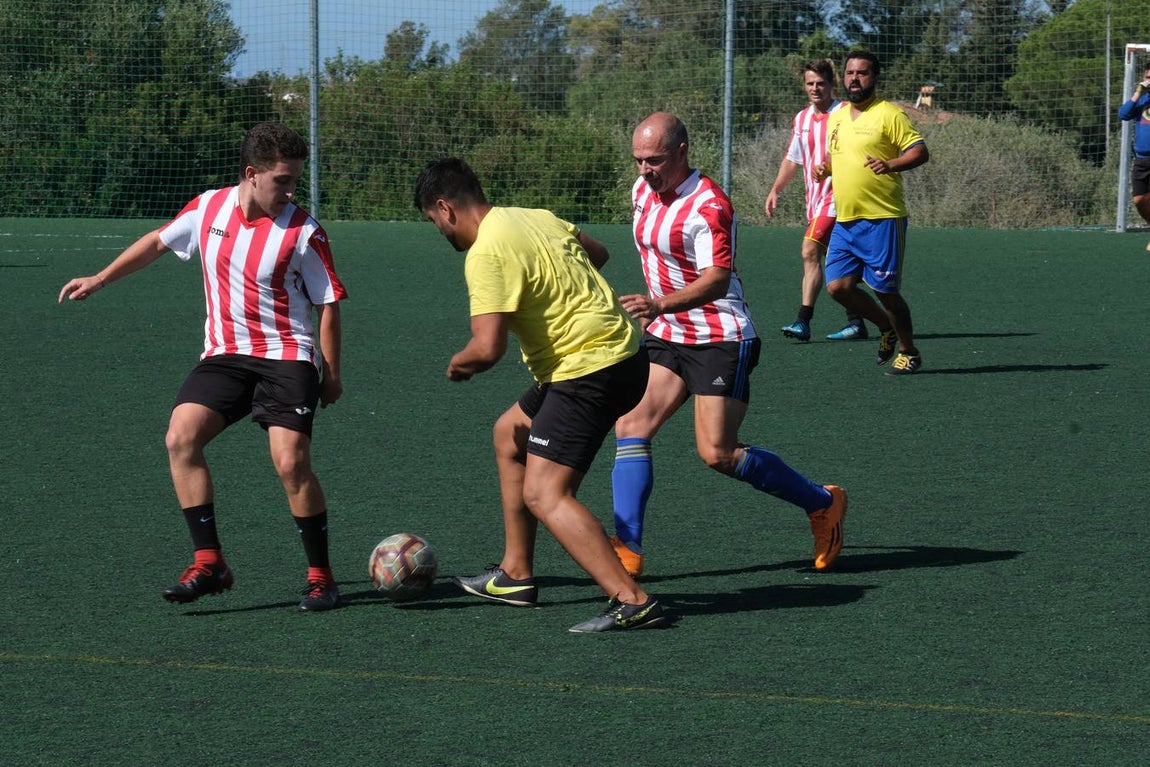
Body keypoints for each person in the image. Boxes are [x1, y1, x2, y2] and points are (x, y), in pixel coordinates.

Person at [58, 122, 348, 611]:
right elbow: (156, 242)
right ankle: (209, 562)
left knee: (290, 462)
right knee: (180, 437)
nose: (291, 190)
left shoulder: (304, 232)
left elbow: (328, 304)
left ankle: (322, 577)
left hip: (286, 356)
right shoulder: (207, 207)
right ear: (251, 174)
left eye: (296, 179)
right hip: (225, 356)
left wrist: (332, 375)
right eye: (282, 180)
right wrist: (101, 278)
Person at [413, 157, 667, 633]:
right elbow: (599, 253)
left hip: (588, 370)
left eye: (434, 222)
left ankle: (632, 600)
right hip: (626, 355)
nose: (440, 232)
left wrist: (458, 364)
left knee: (545, 492)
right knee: (509, 434)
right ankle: (516, 574)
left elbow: (488, 349)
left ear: (445, 208)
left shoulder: (485, 252)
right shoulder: (535, 216)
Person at [608, 111, 847, 579]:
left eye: (653, 160)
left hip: (720, 336)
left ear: (681, 152)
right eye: (638, 160)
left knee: (715, 452)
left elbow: (717, 280)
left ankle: (823, 502)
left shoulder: (709, 204)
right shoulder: (642, 191)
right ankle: (627, 550)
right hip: (668, 333)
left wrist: (659, 304)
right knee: (630, 426)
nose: (643, 170)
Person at [813, 50, 930, 376]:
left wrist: (890, 164)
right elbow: (840, 156)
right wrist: (826, 168)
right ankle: (884, 327)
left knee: (886, 292)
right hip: (846, 219)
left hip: (882, 218)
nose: (854, 79)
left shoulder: (889, 115)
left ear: (874, 77)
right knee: (837, 288)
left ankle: (909, 352)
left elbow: (920, 151)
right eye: (849, 73)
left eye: (862, 73)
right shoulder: (836, 116)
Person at [766, 59, 864, 343]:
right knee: (837, 264)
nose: (815, 88)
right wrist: (776, 189)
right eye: (810, 83)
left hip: (840, 199)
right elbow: (792, 158)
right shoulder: (802, 118)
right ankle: (857, 321)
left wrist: (832, 166)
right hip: (816, 202)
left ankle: (803, 320)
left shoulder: (846, 112)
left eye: (820, 83)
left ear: (832, 85)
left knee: (810, 250)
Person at [1118, 63, 1150, 249]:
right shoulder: (1142, 99)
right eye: (1147, 77)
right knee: (1139, 200)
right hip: (1142, 159)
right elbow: (1123, 114)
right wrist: (1138, 91)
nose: (1148, 81)